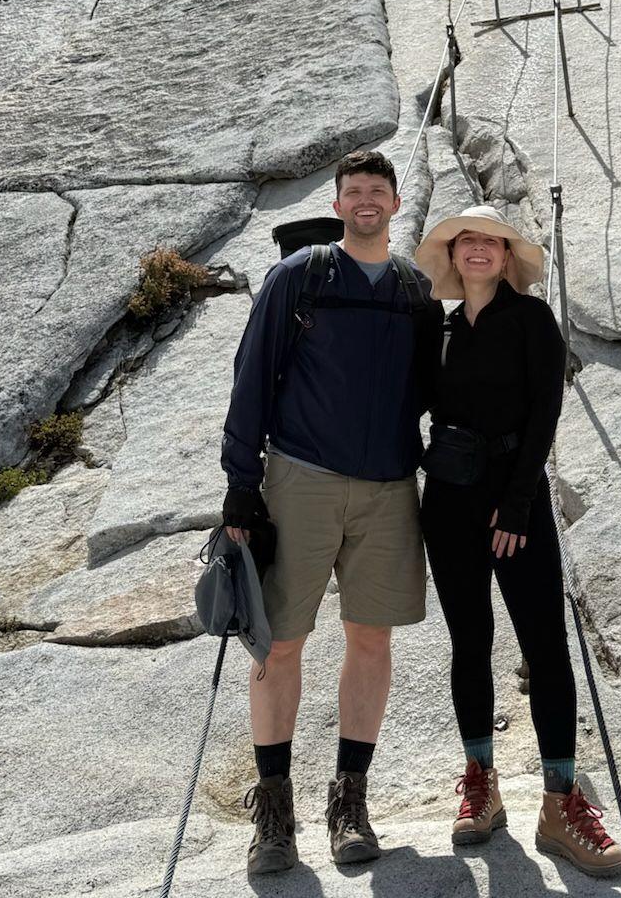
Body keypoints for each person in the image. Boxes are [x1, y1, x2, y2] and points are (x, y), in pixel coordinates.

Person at [221, 150, 442, 875]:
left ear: (397, 201)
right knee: (279, 643)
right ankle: (274, 813)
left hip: (387, 488)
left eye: (378, 190)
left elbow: (436, 390)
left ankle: (349, 801)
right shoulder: (299, 277)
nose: (367, 201)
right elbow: (251, 375)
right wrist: (239, 482)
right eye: (355, 192)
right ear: (340, 203)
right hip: (301, 479)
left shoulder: (415, 291)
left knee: (370, 640)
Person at [412, 204, 621, 878]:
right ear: (452, 257)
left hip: (516, 504)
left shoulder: (532, 320)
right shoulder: (437, 328)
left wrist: (517, 503)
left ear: (507, 258)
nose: (476, 250)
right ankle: (482, 782)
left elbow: (545, 412)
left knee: (545, 646)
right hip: (448, 501)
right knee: (469, 642)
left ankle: (560, 801)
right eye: (464, 240)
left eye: (490, 242)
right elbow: (408, 404)